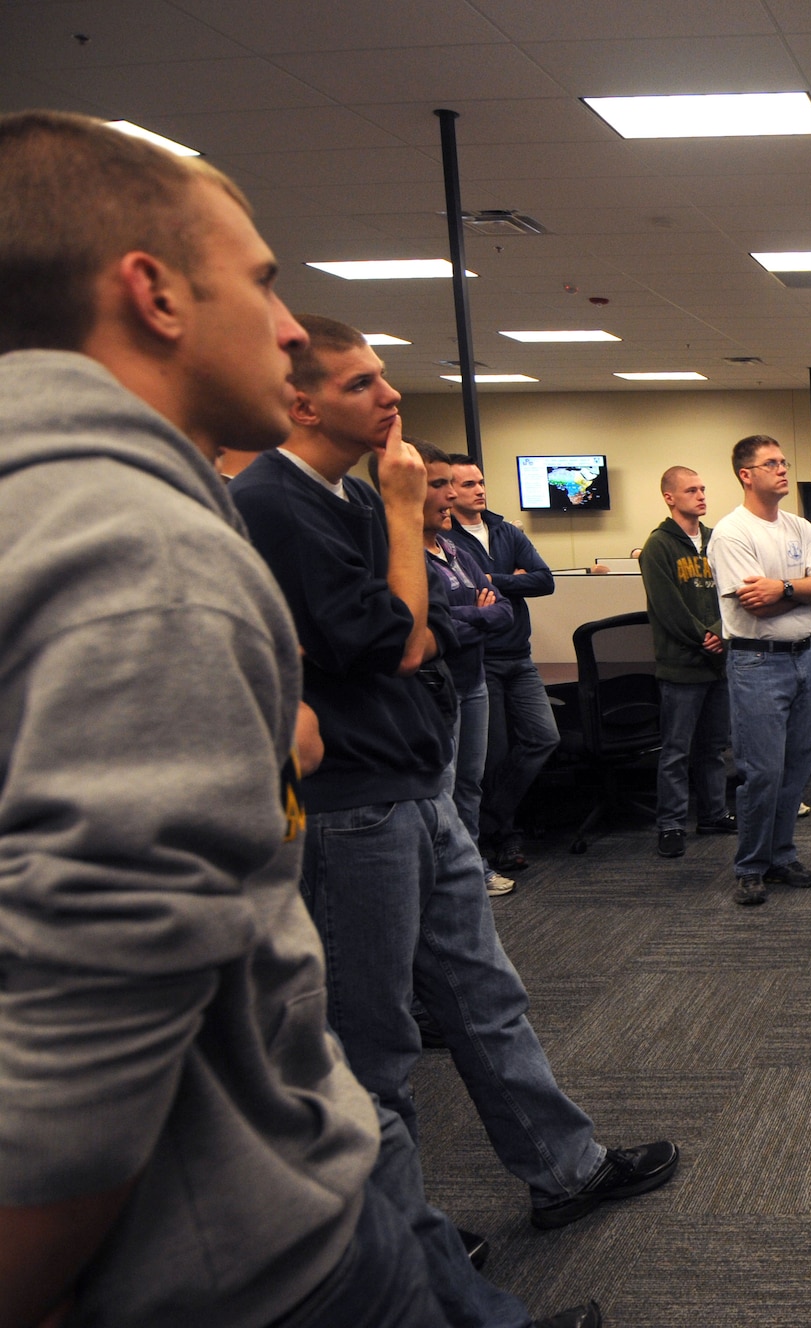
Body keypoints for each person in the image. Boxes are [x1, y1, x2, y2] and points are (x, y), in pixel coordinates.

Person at [0, 108, 602, 1328]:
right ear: (154, 292)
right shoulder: (138, 548)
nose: (285, 330)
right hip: (235, 1260)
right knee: (373, 1047)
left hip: (220, 1212)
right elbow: (91, 1021)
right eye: (264, 283)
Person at [233, 315, 679, 1241]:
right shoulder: (280, 503)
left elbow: (424, 629)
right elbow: (398, 638)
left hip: (417, 783)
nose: (392, 396)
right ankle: (399, 1252)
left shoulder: (348, 501)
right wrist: (405, 519)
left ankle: (565, 1168)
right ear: (300, 403)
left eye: (385, 378)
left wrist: (407, 584)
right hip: (353, 805)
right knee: (375, 1043)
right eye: (362, 384)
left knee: (483, 993)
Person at [707, 435, 811, 905]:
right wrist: (801, 590)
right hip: (757, 662)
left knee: (798, 763)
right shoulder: (731, 533)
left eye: (784, 460)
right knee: (762, 771)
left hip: (805, 658)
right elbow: (755, 608)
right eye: (771, 464)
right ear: (746, 475)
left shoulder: (800, 527)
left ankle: (781, 856)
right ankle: (751, 865)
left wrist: (782, 586)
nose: (783, 469)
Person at [443, 453, 557, 875]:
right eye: (469, 484)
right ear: (450, 490)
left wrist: (496, 581)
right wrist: (510, 580)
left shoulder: (505, 530)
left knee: (544, 738)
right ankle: (504, 837)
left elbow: (544, 580)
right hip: (480, 659)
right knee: (492, 756)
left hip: (519, 656)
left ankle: (489, 820)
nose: (479, 489)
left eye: (481, 482)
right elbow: (466, 597)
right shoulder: (448, 538)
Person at [413, 440, 515, 895]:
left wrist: (465, 616)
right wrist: (475, 613)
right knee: (445, 788)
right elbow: (431, 625)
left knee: (471, 782)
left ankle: (470, 867)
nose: (451, 496)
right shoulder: (407, 560)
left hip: (474, 681)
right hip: (440, 687)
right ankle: (444, 876)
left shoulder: (456, 552)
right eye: (439, 486)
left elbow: (503, 612)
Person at [640, 465, 734, 860]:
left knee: (714, 747)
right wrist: (704, 636)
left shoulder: (717, 540)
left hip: (718, 663)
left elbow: (731, 592)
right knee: (676, 750)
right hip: (681, 665)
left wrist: (720, 631)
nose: (701, 495)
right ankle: (672, 824)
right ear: (669, 497)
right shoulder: (658, 546)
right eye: (691, 490)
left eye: (703, 488)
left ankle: (713, 813)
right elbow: (666, 608)